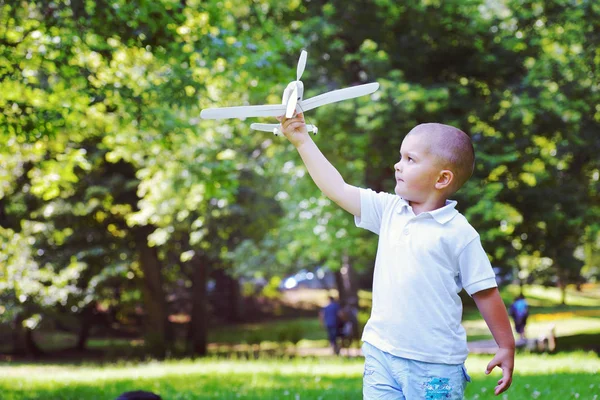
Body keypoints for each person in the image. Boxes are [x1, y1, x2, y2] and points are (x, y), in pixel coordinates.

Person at [277, 114, 515, 398]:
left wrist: (505, 346)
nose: (397, 165)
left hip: (434, 365)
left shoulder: (459, 233)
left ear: (442, 178)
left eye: (410, 159)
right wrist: (302, 140)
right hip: (382, 353)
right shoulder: (389, 210)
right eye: (400, 157)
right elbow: (337, 189)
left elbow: (485, 292)